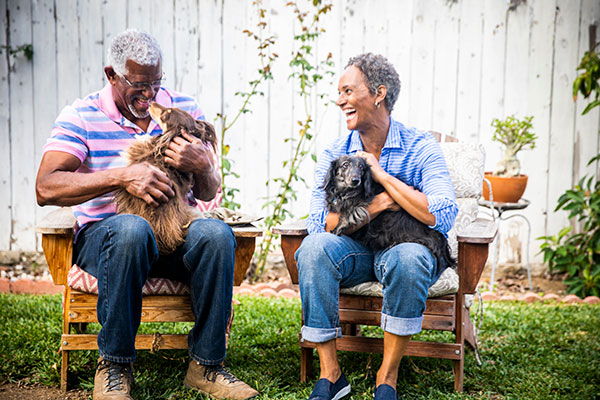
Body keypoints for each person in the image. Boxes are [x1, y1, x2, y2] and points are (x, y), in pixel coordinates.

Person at [35, 29, 258, 400]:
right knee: (131, 230)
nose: (150, 94)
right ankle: (115, 366)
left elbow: (207, 192)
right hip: (109, 241)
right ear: (111, 74)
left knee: (217, 235)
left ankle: (206, 365)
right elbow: (46, 186)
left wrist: (204, 166)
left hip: (173, 233)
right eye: (139, 84)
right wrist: (122, 176)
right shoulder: (82, 116)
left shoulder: (182, 110)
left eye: (156, 83)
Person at [296, 53, 458, 400]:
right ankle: (331, 374)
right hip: (353, 250)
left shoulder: (419, 147)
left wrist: (381, 175)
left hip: (403, 247)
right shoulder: (336, 152)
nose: (340, 100)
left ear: (379, 94)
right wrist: (381, 202)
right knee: (312, 248)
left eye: (348, 91)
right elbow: (318, 223)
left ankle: (387, 377)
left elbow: (442, 214)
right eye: (339, 92)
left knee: (410, 258)